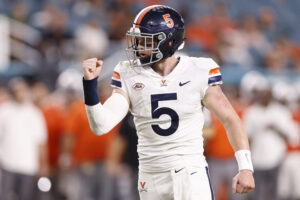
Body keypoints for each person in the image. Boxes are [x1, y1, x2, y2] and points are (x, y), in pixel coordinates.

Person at [81, 5, 255, 200]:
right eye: (138, 41)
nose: (138, 47)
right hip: (149, 176)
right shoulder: (128, 73)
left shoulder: (198, 69)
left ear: (168, 42)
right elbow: (101, 125)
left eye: (146, 42)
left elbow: (230, 119)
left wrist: (246, 167)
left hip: (190, 173)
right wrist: (89, 86)